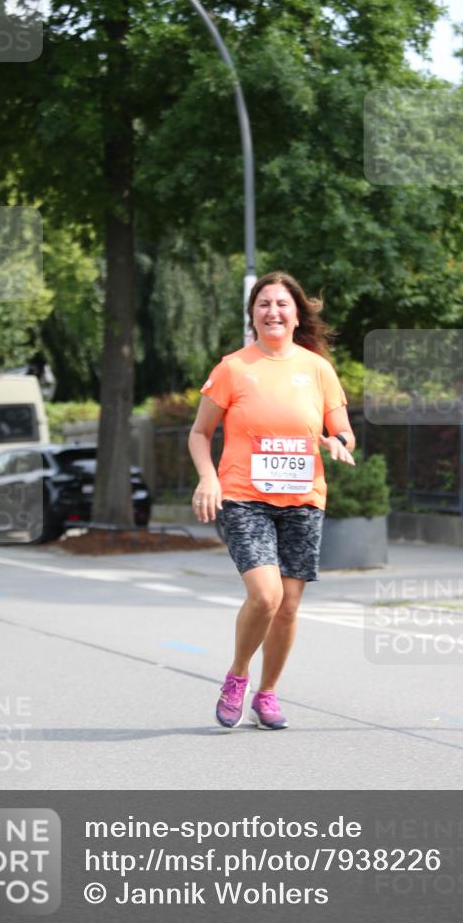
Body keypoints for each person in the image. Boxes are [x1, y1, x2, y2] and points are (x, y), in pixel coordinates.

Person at [188, 271, 356, 730]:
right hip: (244, 498)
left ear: (296, 312)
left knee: (288, 606)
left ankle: (267, 694)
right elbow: (200, 433)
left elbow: (342, 429)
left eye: (282, 304)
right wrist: (208, 478)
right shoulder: (233, 368)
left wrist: (336, 441)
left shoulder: (317, 368)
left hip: (304, 499)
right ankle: (238, 677)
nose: (273, 311)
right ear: (253, 315)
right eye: (263, 304)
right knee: (266, 595)